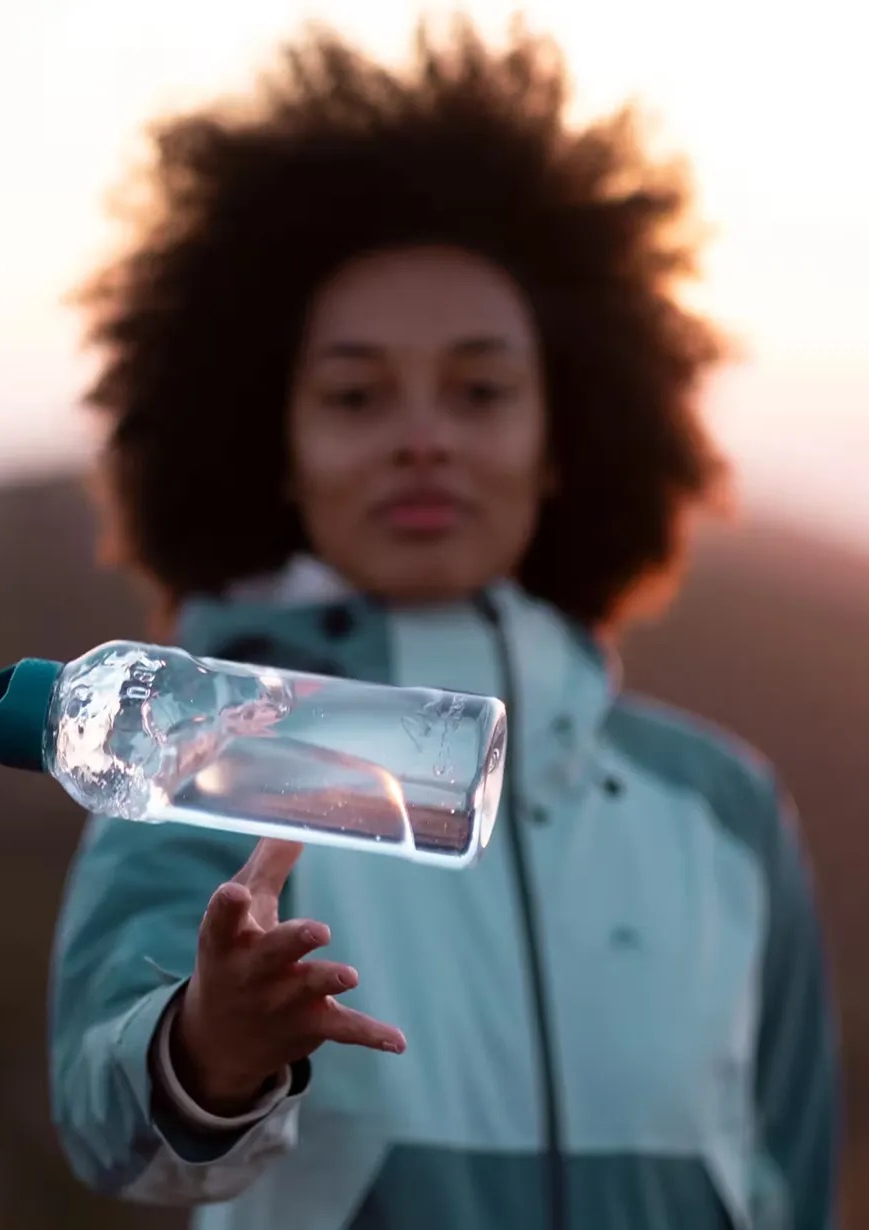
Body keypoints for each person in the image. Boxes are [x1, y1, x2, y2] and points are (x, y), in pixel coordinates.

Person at [48, 19, 839, 1230]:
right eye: (357, 394)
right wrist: (211, 1044)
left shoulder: (721, 808)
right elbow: (110, 1124)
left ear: (563, 434)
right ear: (279, 448)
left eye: (480, 390)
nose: (424, 436)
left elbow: (787, 1171)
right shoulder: (205, 755)